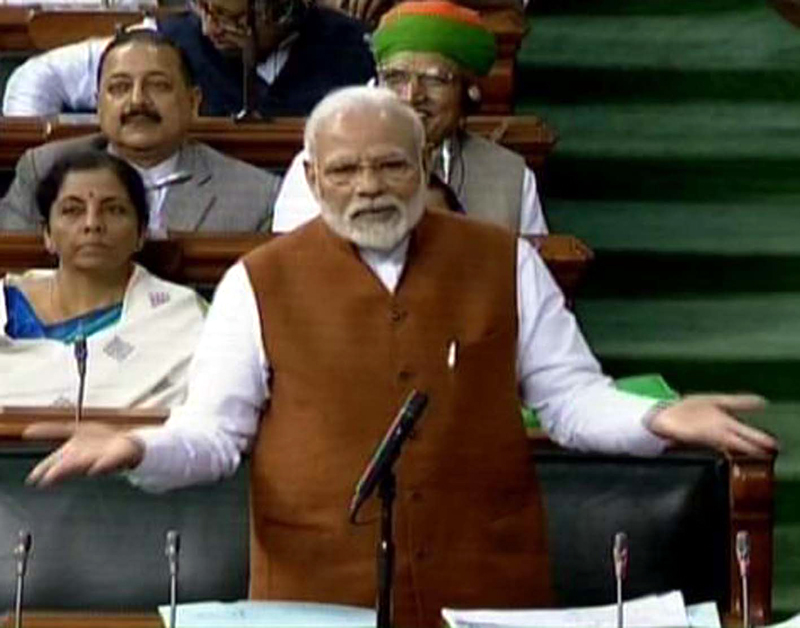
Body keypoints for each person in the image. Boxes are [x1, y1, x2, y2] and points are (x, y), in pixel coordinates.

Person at [25, 88, 777, 627]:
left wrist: (659, 418)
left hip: (486, 588)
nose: (369, 188)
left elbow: (571, 400)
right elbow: (214, 435)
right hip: (316, 594)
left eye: (389, 166)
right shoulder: (258, 281)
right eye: (345, 171)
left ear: (423, 165)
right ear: (312, 179)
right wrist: (139, 448)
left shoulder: (505, 261)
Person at [273, 0, 546, 234]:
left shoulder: (510, 177)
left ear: (468, 92)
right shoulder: (325, 164)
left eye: (434, 79)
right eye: (395, 78)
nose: (412, 95)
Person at [0, 29, 279, 233]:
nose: (137, 101)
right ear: (98, 104)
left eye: (158, 85)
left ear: (193, 103)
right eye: (120, 87)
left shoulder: (255, 195)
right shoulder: (42, 170)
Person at [1, 150, 206, 407]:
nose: (92, 223)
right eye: (72, 210)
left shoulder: (180, 316)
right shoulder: (6, 305)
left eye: (114, 210)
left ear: (141, 233)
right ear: (47, 235)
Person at [2, 0, 375, 118]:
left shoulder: (356, 48)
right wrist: (40, 160)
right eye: (205, 10)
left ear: (284, 14)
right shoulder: (166, 37)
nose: (211, 28)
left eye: (230, 19)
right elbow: (37, 77)